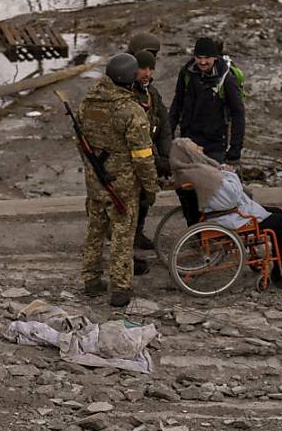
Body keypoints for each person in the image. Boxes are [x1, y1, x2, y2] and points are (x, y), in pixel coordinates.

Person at [169, 138, 282, 289]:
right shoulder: (201, 173)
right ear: (189, 154)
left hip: (220, 213)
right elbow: (232, 198)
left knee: (277, 212)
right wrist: (230, 173)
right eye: (197, 147)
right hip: (225, 217)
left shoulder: (190, 171)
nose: (202, 148)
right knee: (278, 222)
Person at [77, 53, 158, 307]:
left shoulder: (88, 103)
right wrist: (150, 186)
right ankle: (120, 288)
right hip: (122, 186)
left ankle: (91, 280)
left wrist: (92, 170)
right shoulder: (131, 111)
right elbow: (143, 157)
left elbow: (81, 142)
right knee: (123, 234)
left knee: (95, 230)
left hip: (95, 182)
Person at [126, 34, 173, 251]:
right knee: (130, 202)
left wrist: (166, 156)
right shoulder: (124, 90)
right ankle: (126, 243)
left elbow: (163, 124)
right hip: (131, 158)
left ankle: (137, 233)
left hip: (148, 156)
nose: (148, 71)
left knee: (147, 195)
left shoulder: (150, 92)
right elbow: (136, 135)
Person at [169, 36, 245, 165]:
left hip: (215, 144)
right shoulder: (186, 73)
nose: (203, 62)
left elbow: (238, 113)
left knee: (213, 183)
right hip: (188, 140)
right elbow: (177, 105)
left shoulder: (227, 79)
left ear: (215, 57)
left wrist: (235, 150)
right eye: (199, 58)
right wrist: (168, 135)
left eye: (207, 58)